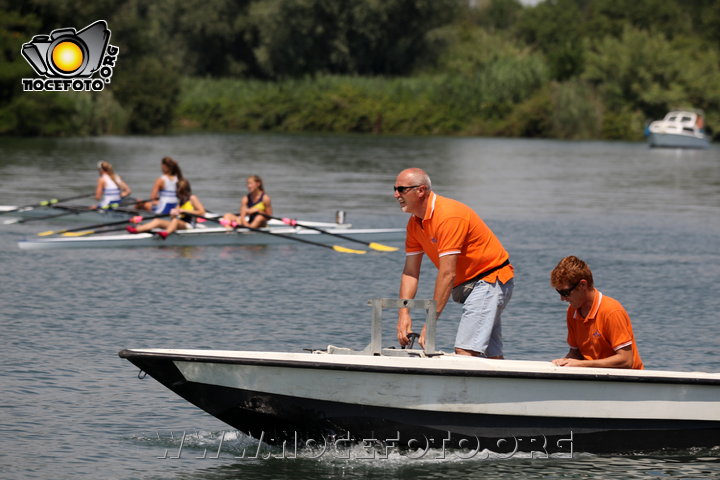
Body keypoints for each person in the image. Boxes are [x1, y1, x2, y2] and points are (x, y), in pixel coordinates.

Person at [394, 168, 514, 358]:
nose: (396, 195)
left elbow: (447, 273)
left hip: (489, 279)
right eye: (395, 189)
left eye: (401, 189)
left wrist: (430, 324)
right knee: (490, 356)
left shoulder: (449, 216)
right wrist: (403, 313)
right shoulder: (415, 223)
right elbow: (410, 272)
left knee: (465, 350)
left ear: (421, 190)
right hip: (468, 284)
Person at [550, 256, 643, 369]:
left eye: (565, 292)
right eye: (558, 292)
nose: (562, 298)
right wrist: (563, 362)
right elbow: (575, 354)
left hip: (627, 382)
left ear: (582, 285)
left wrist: (581, 364)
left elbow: (626, 360)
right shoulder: (572, 311)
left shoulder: (612, 311)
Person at [126, 178, 205, 239]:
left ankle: (165, 234)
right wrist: (173, 213)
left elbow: (202, 212)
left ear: (186, 190)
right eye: (178, 191)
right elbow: (174, 217)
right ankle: (137, 230)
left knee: (175, 221)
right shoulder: (181, 201)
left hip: (189, 225)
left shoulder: (192, 198)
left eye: (181, 191)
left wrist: (183, 210)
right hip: (177, 223)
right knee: (157, 221)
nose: (180, 194)